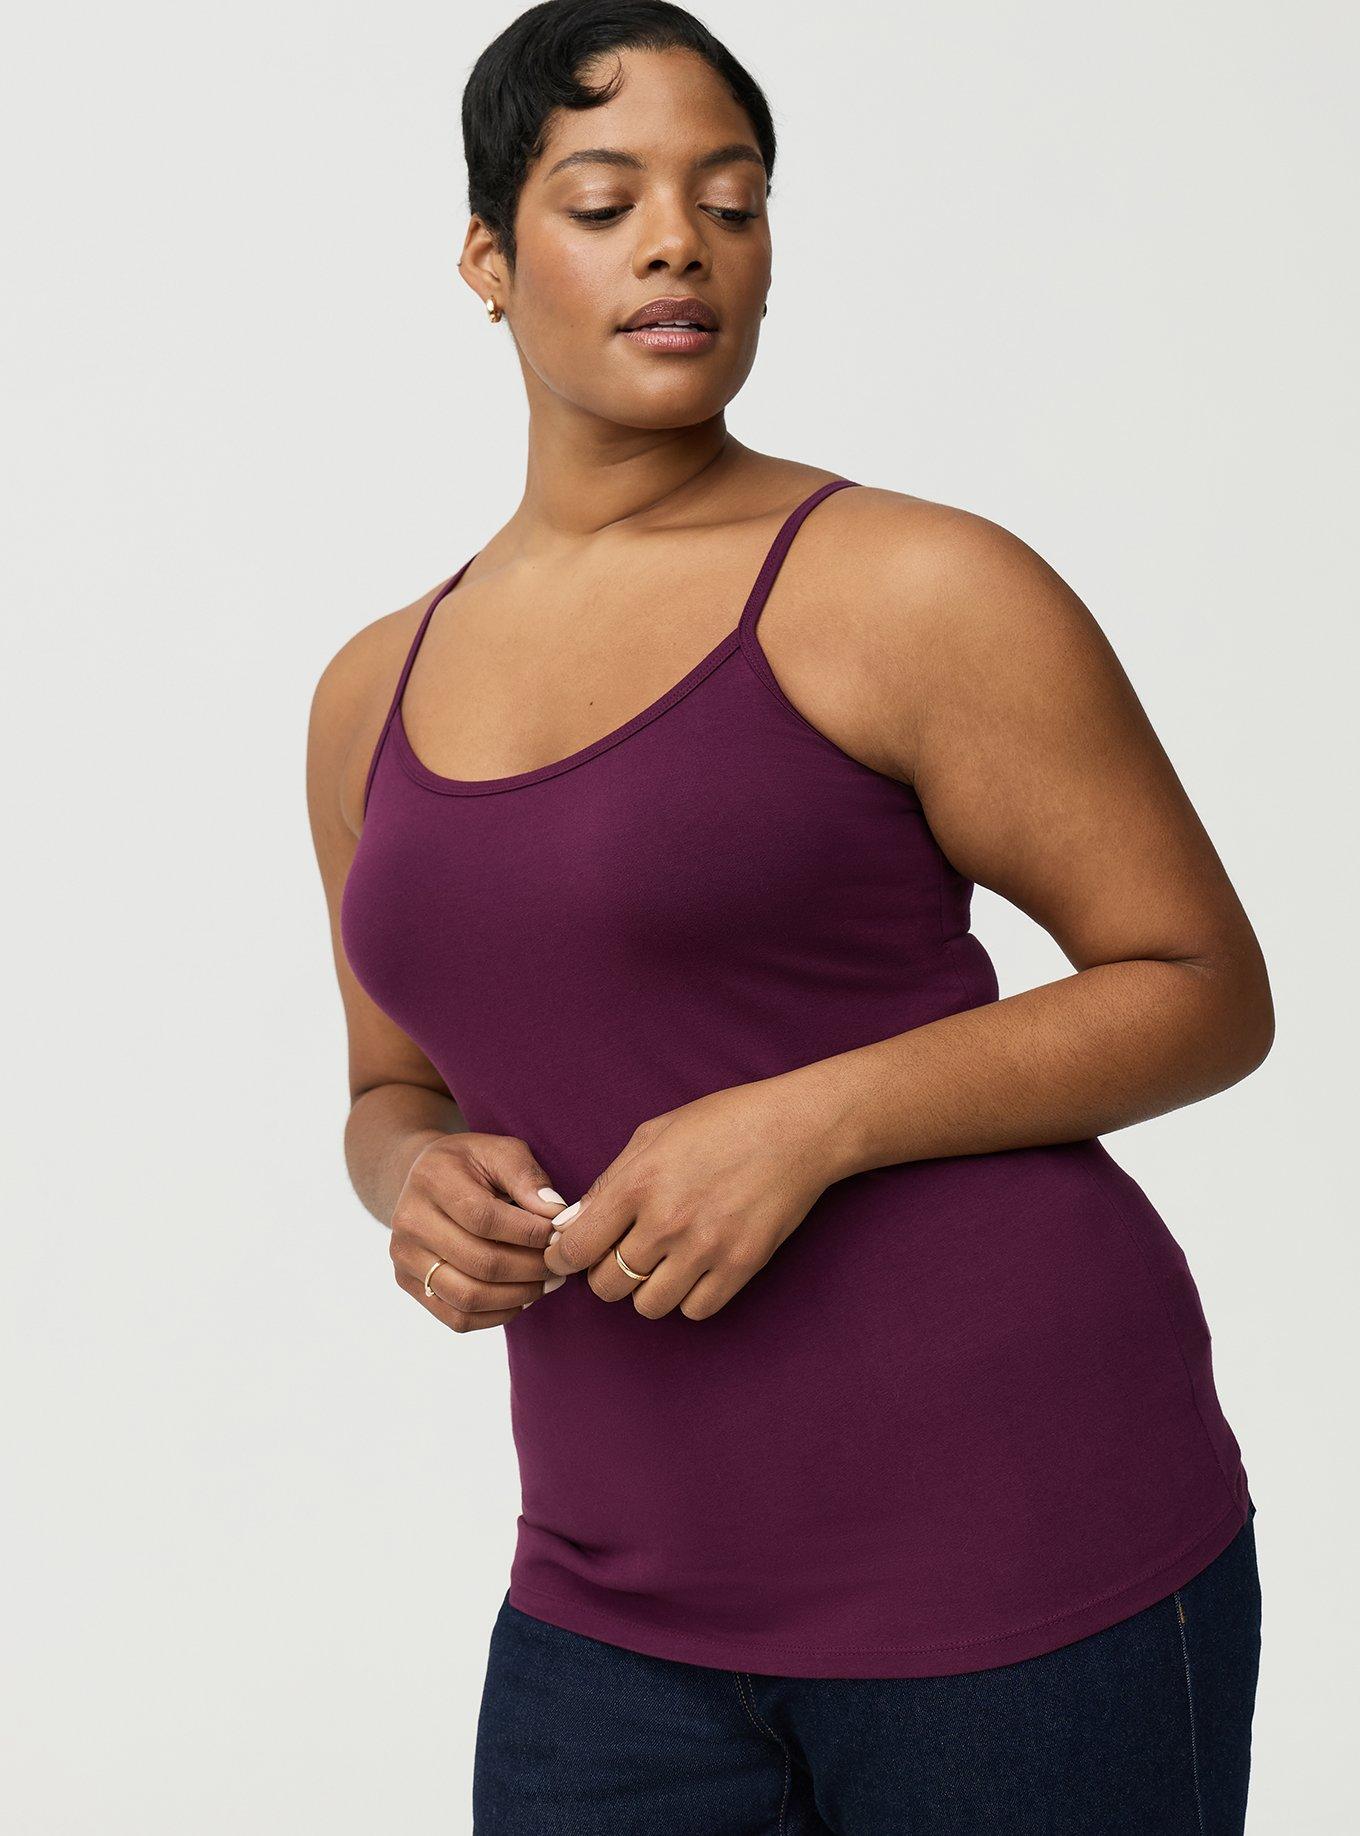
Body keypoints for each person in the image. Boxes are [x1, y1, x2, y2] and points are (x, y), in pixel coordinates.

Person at [306, 4, 1270, 1829]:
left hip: (1019, 1548)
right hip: (609, 1596)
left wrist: (807, 1121)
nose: (680, 244)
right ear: (488, 260)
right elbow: (389, 1087)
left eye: (731, 203)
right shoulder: (372, 691)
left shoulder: (911, 585)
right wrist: (409, 1181)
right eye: (607, 203)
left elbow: (1204, 986)